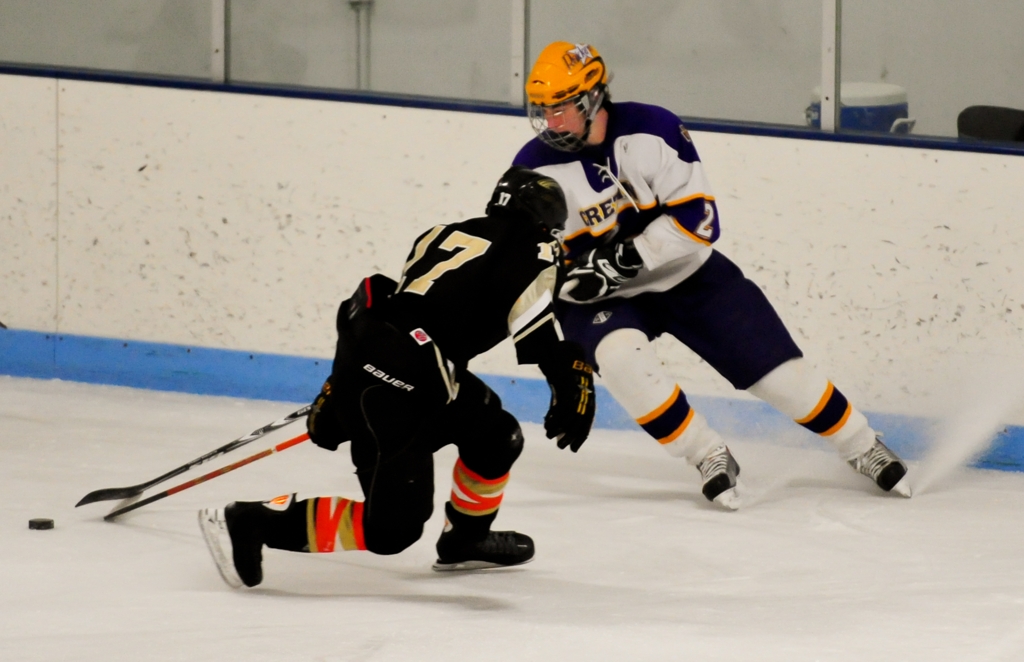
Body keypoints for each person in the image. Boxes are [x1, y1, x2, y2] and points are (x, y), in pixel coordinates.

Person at [511, 42, 910, 509]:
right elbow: (526, 261)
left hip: (686, 273)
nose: (551, 122)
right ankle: (706, 455)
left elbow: (699, 223)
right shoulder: (530, 166)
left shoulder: (653, 130)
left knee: (780, 377)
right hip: (602, 297)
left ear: (593, 97)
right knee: (620, 358)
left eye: (562, 108)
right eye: (543, 110)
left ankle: (861, 445)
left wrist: (621, 261)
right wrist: (555, 349)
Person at [198, 167, 597, 588]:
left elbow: (401, 311)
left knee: (495, 434)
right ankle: (252, 520)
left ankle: (466, 539)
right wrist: (570, 374)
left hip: (397, 370)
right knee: (392, 530)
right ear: (547, 221)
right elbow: (534, 318)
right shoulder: (534, 245)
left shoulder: (444, 233)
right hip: (400, 387)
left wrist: (340, 386)